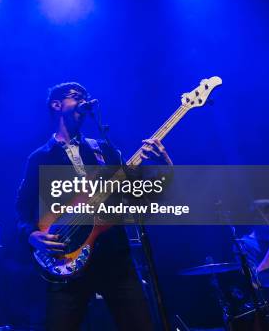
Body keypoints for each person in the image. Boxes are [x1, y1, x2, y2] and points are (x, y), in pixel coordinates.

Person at [15, 82, 172, 331]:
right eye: (76, 96)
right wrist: (32, 235)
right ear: (57, 105)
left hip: (114, 258)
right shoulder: (40, 158)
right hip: (66, 257)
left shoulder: (104, 149)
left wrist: (165, 165)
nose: (84, 101)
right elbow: (22, 210)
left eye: (85, 97)